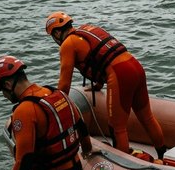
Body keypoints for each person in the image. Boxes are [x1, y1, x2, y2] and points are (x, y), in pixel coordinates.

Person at [45, 11, 168, 159]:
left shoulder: (67, 45)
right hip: (135, 66)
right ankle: (162, 156)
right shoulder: (88, 29)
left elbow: (64, 85)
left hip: (120, 73)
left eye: (53, 36)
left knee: (117, 127)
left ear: (57, 33)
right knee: (146, 117)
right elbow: (103, 55)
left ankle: (124, 164)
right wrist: (98, 84)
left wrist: (54, 107)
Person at [0, 55, 94, 170]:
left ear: (7, 84)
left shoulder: (24, 111)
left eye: (2, 91)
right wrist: (87, 149)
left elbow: (24, 163)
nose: (4, 96)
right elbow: (80, 125)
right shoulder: (56, 93)